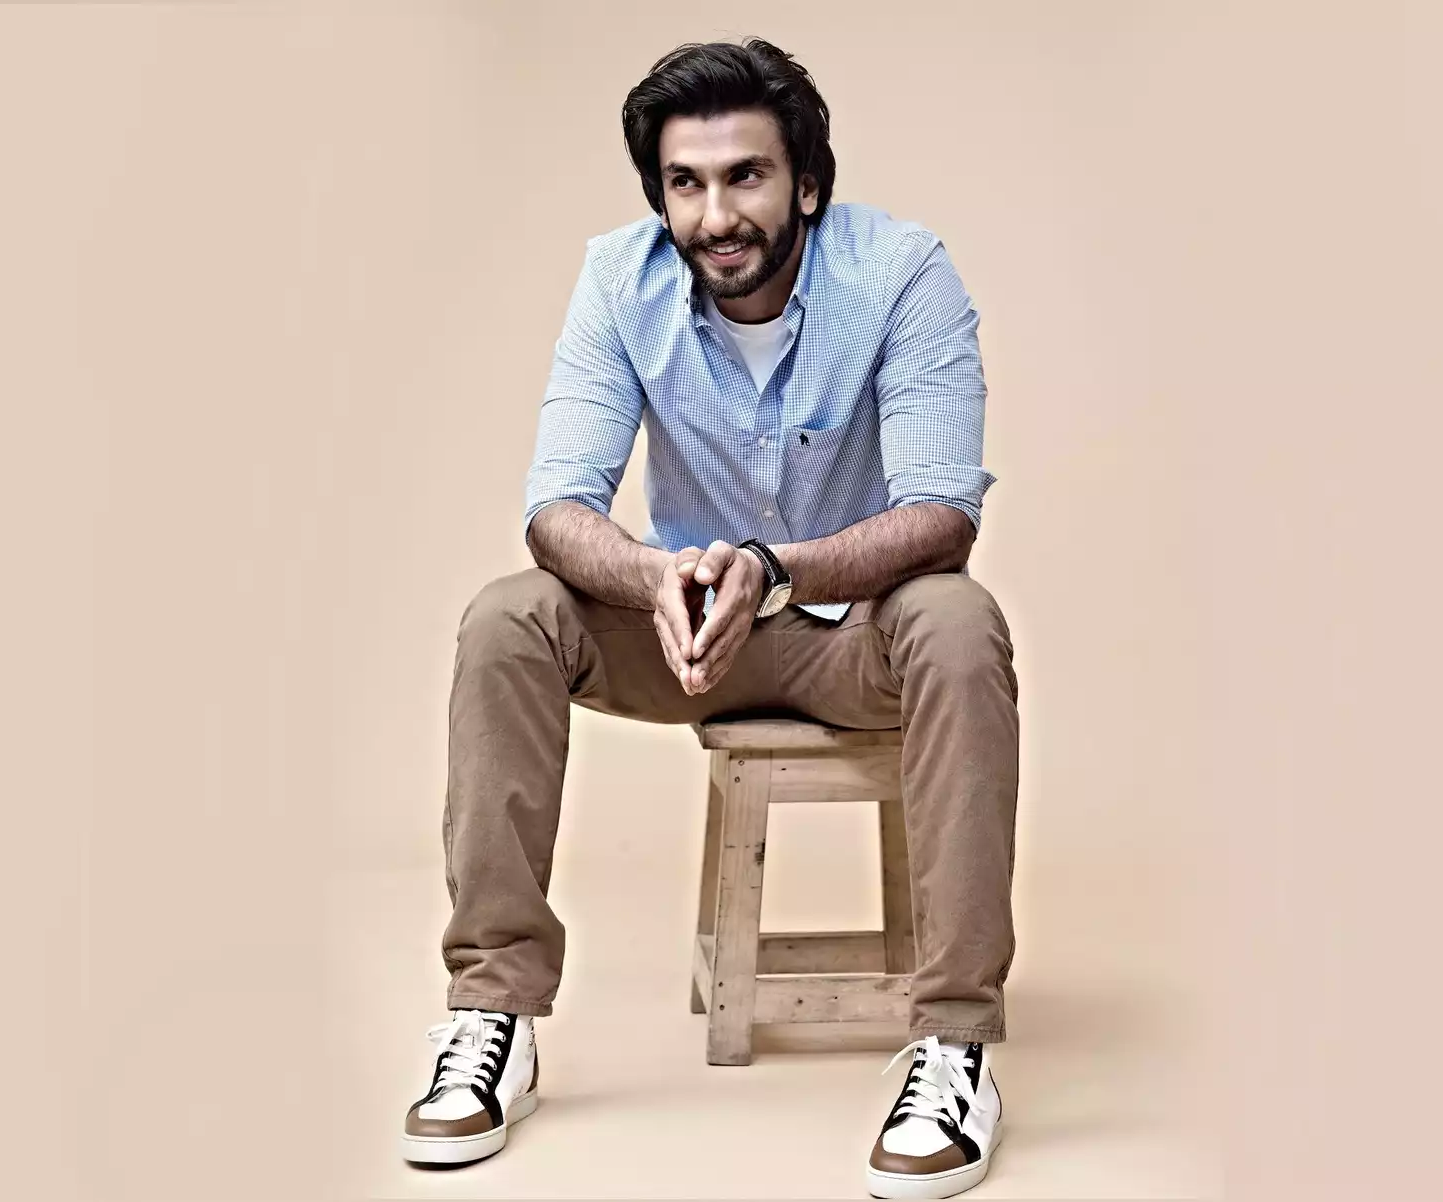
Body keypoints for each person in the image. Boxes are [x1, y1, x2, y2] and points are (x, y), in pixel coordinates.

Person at [399, 36, 1019, 1200]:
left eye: (746, 176)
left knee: (958, 618)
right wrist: (655, 581)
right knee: (508, 616)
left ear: (806, 184)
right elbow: (557, 506)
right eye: (686, 183)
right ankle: (492, 1016)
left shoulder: (902, 272)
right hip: (684, 636)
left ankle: (955, 1042)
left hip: (850, 634)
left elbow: (942, 514)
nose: (716, 214)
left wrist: (775, 568)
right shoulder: (616, 280)